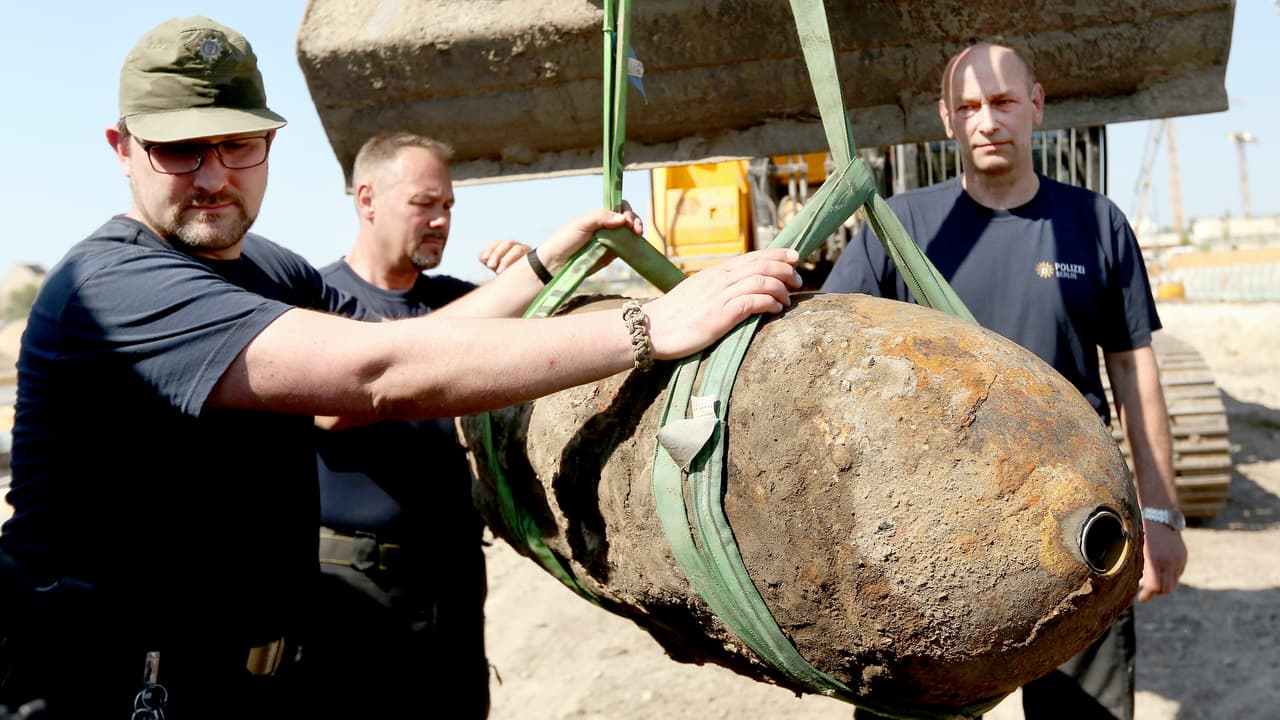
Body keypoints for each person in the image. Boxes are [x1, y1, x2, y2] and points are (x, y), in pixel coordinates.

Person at [0, 16, 803, 719]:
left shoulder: (268, 268)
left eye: (235, 145)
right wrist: (648, 326)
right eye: (178, 150)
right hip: (124, 689)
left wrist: (543, 264)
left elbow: (420, 341)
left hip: (257, 680)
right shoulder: (114, 286)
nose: (213, 176)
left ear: (269, 143)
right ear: (122, 149)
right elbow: (377, 374)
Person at [821, 42, 1188, 720]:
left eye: (1003, 102)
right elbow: (826, 349)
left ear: (1036, 106)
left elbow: (1134, 369)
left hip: (1079, 527)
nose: (987, 121)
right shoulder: (899, 229)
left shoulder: (1096, 223)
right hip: (930, 539)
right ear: (946, 119)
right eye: (968, 107)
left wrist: (1161, 513)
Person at [304, 132, 528, 719]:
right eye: (424, 203)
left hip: (452, 584)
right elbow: (332, 407)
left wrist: (531, 287)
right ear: (367, 199)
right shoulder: (315, 302)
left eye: (448, 205)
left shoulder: (456, 302)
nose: (441, 220)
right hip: (350, 595)